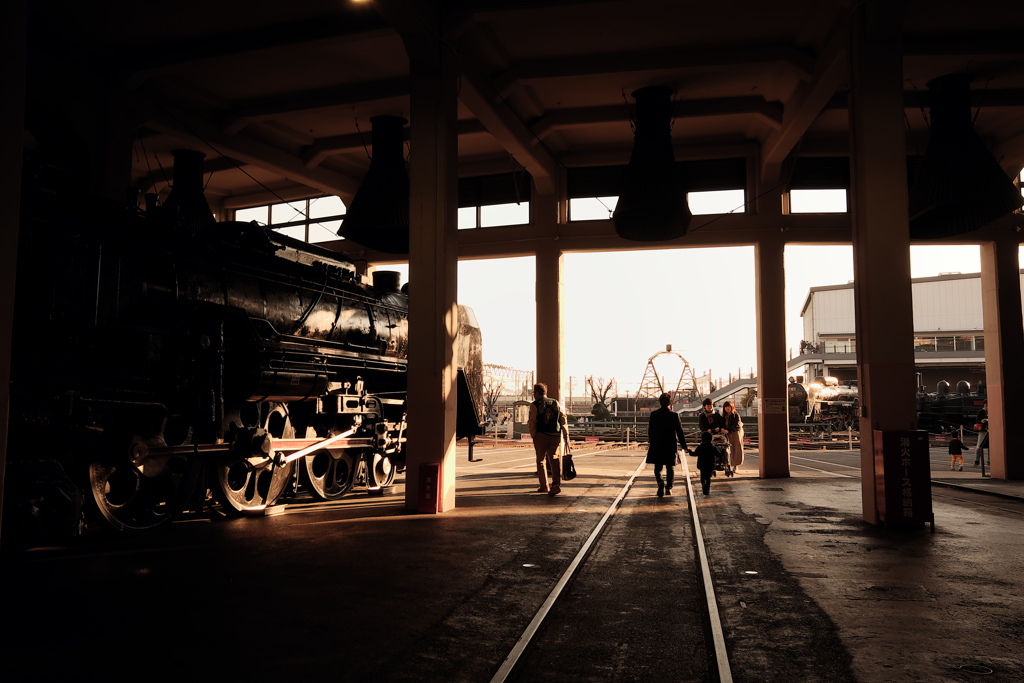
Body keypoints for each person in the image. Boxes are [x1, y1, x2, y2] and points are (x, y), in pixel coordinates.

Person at [645, 392, 691, 497]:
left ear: (660, 402)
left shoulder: (654, 414)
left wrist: (651, 441)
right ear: (670, 403)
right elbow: (680, 432)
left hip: (657, 444)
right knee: (670, 467)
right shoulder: (674, 415)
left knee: (658, 467)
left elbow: (650, 431)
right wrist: (684, 447)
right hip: (670, 444)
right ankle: (669, 488)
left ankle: (660, 482)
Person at [528, 383, 567, 496]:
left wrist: (533, 434)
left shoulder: (535, 404)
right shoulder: (555, 402)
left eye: (534, 393)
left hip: (541, 434)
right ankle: (556, 485)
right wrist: (564, 433)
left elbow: (532, 421)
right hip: (555, 435)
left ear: (537, 393)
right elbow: (563, 418)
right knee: (554, 459)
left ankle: (544, 485)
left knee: (541, 460)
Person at [721, 400, 744, 469]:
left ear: (732, 407)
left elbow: (736, 424)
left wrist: (729, 430)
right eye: (726, 407)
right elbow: (722, 424)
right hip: (726, 434)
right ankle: (728, 463)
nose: (727, 408)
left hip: (735, 433)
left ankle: (735, 465)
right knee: (727, 449)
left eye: (729, 406)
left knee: (736, 449)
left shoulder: (736, 415)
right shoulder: (724, 416)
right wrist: (723, 429)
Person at [974, 400, 989, 467]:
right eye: (986, 405)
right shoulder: (981, 411)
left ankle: (989, 461)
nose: (987, 407)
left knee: (990, 447)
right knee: (979, 446)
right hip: (983, 430)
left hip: (989, 430)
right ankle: (977, 461)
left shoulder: (992, 410)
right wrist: (981, 421)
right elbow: (977, 420)